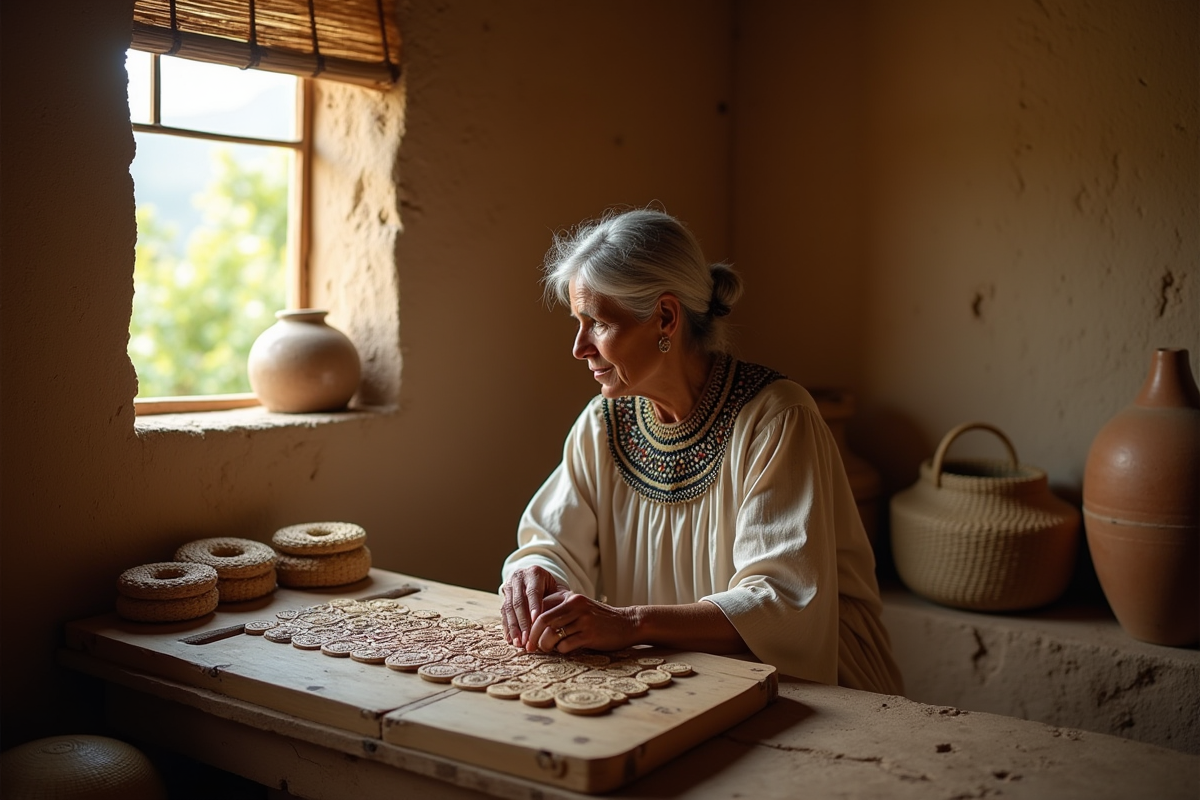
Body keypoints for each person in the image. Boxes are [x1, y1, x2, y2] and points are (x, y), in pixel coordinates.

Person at [499, 208, 903, 695]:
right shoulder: (603, 423)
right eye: (577, 323)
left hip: (819, 692)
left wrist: (629, 624)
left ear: (666, 318)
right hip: (674, 682)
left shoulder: (776, 419)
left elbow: (780, 602)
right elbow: (550, 540)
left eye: (598, 323)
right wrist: (536, 575)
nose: (579, 347)